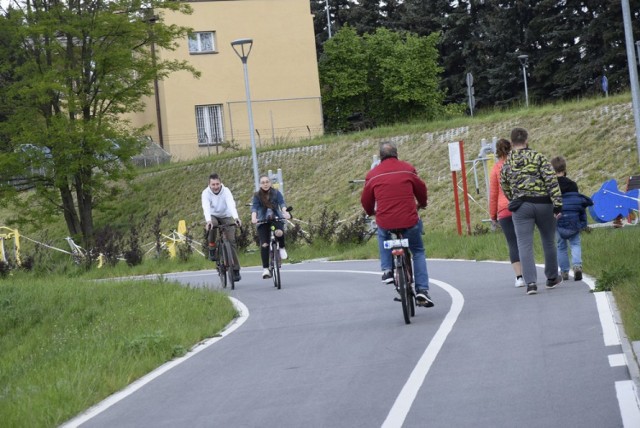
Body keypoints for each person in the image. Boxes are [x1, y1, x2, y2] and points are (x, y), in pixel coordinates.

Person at [360, 141, 433, 307]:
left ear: (380, 157)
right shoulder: (407, 169)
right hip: (409, 220)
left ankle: (387, 270)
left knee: (382, 233)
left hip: (386, 221)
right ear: (396, 154)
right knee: (418, 251)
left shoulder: (373, 174)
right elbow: (421, 189)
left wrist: (371, 211)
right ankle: (422, 289)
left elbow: (365, 199)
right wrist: (422, 203)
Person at [500, 127, 563, 295]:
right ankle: (551, 278)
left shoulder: (507, 163)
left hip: (521, 206)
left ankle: (531, 284)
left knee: (524, 245)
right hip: (544, 204)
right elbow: (551, 181)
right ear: (526, 140)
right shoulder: (539, 157)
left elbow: (504, 185)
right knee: (548, 240)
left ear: (512, 143)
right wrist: (557, 204)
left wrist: (514, 197)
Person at [550, 156, 593, 281]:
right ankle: (577, 266)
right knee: (575, 243)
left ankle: (564, 272)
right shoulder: (573, 185)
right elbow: (577, 202)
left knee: (561, 245)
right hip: (573, 218)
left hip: (558, 218)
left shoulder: (552, 186)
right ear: (564, 168)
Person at [489, 138, 525, 287]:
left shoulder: (496, 169)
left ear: (497, 152)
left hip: (504, 210)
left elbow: (493, 195)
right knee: (524, 241)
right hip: (520, 207)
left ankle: (519, 277)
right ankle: (530, 273)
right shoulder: (517, 165)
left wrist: (493, 216)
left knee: (512, 243)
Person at [201, 173, 242, 282]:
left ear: (221, 183)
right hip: (213, 215)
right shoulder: (205, 193)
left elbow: (231, 204)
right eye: (213, 184)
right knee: (212, 226)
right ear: (209, 184)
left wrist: (236, 218)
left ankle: (236, 269)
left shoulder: (226, 191)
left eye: (217, 184)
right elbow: (206, 207)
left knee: (231, 241)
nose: (215, 187)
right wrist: (208, 220)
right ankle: (212, 247)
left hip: (226, 215)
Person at [251, 175, 291, 279]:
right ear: (260, 184)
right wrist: (254, 218)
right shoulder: (257, 195)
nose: (265, 184)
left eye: (267, 182)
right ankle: (265, 269)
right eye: (263, 182)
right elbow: (254, 208)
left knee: (279, 232)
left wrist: (285, 213)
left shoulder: (276, 193)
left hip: (275, 218)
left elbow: (282, 204)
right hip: (262, 220)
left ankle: (281, 247)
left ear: (270, 183)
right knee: (264, 244)